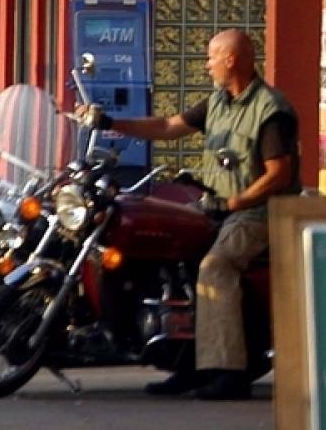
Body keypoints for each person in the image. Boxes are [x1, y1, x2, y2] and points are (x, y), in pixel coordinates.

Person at [77, 28, 297, 400]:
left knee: (216, 267)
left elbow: (279, 176)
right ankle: (185, 361)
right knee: (166, 247)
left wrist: (234, 204)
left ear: (231, 59)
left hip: (258, 213)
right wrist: (111, 123)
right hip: (212, 205)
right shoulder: (217, 102)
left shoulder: (270, 109)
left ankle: (229, 373)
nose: (206, 64)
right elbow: (167, 126)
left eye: (211, 56)